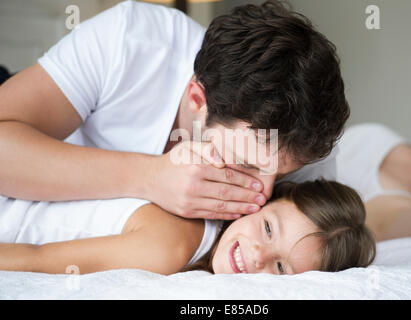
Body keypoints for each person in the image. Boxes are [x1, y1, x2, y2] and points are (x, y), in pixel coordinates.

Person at [0, 0, 349, 221]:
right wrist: (151, 177)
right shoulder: (127, 42)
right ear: (198, 99)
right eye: (246, 164)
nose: (262, 196)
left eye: (282, 176)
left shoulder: (305, 145)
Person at [0, 179, 376, 275]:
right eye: (268, 229)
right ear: (264, 200)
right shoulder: (171, 246)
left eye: (281, 267)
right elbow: (38, 258)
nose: (258, 255)